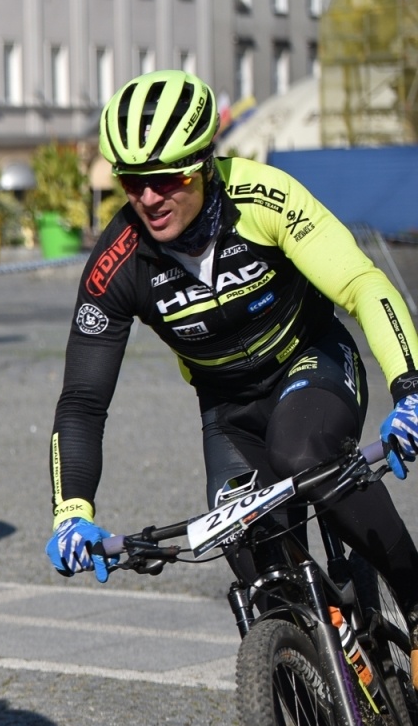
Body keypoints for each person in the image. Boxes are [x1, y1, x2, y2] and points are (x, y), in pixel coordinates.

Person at [45, 70, 418, 664]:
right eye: (132, 181)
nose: (148, 197)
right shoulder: (116, 264)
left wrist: (410, 388)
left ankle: (414, 592)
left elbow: (361, 284)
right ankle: (313, 718)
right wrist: (72, 513)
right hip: (227, 406)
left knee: (307, 458)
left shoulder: (264, 197)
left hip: (310, 358)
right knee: (246, 548)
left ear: (206, 162)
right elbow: (83, 401)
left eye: (168, 177)